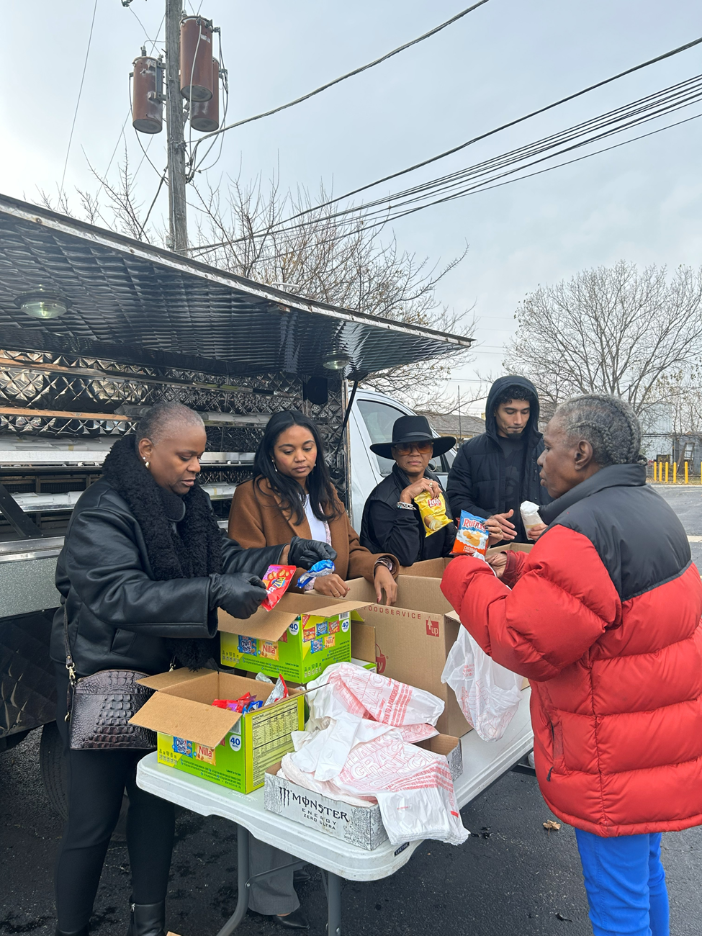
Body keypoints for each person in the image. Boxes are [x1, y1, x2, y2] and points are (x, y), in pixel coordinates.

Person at [51, 403, 333, 936]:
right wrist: (210, 592)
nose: (195, 467)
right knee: (91, 824)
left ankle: (150, 927)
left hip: (169, 680)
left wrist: (286, 553)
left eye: (200, 456)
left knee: (157, 811)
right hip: (109, 677)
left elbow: (224, 558)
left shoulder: (190, 506)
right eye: (185, 456)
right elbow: (119, 595)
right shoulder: (102, 509)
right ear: (146, 450)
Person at [441, 394, 702, 936]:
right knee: (642, 878)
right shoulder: (642, 505)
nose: (540, 458)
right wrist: (516, 563)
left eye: (551, 445)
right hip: (651, 738)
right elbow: (591, 590)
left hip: (613, 748)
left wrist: (466, 573)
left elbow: (519, 641)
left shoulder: (582, 531)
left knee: (616, 911)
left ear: (581, 453)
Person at [229, 410, 398, 605]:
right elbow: (247, 565)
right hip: (284, 616)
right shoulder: (252, 494)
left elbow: (349, 550)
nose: (300, 457)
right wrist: (310, 580)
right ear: (271, 454)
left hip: (333, 610)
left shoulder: (327, 491)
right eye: (288, 451)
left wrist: (378, 566)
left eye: (307, 448)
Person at [446, 375, 551, 544]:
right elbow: (456, 499)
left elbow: (568, 498)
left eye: (525, 412)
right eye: (510, 412)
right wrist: (485, 519)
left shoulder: (549, 449)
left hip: (539, 549)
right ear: (494, 410)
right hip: (487, 547)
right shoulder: (471, 450)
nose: (518, 420)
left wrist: (553, 525)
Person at [359, 414, 457, 566]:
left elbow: (448, 542)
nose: (415, 453)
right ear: (394, 453)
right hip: (401, 583)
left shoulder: (435, 487)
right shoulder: (382, 499)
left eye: (422, 446)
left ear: (431, 452)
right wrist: (405, 498)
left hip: (433, 578)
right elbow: (402, 558)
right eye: (405, 447)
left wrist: (482, 537)